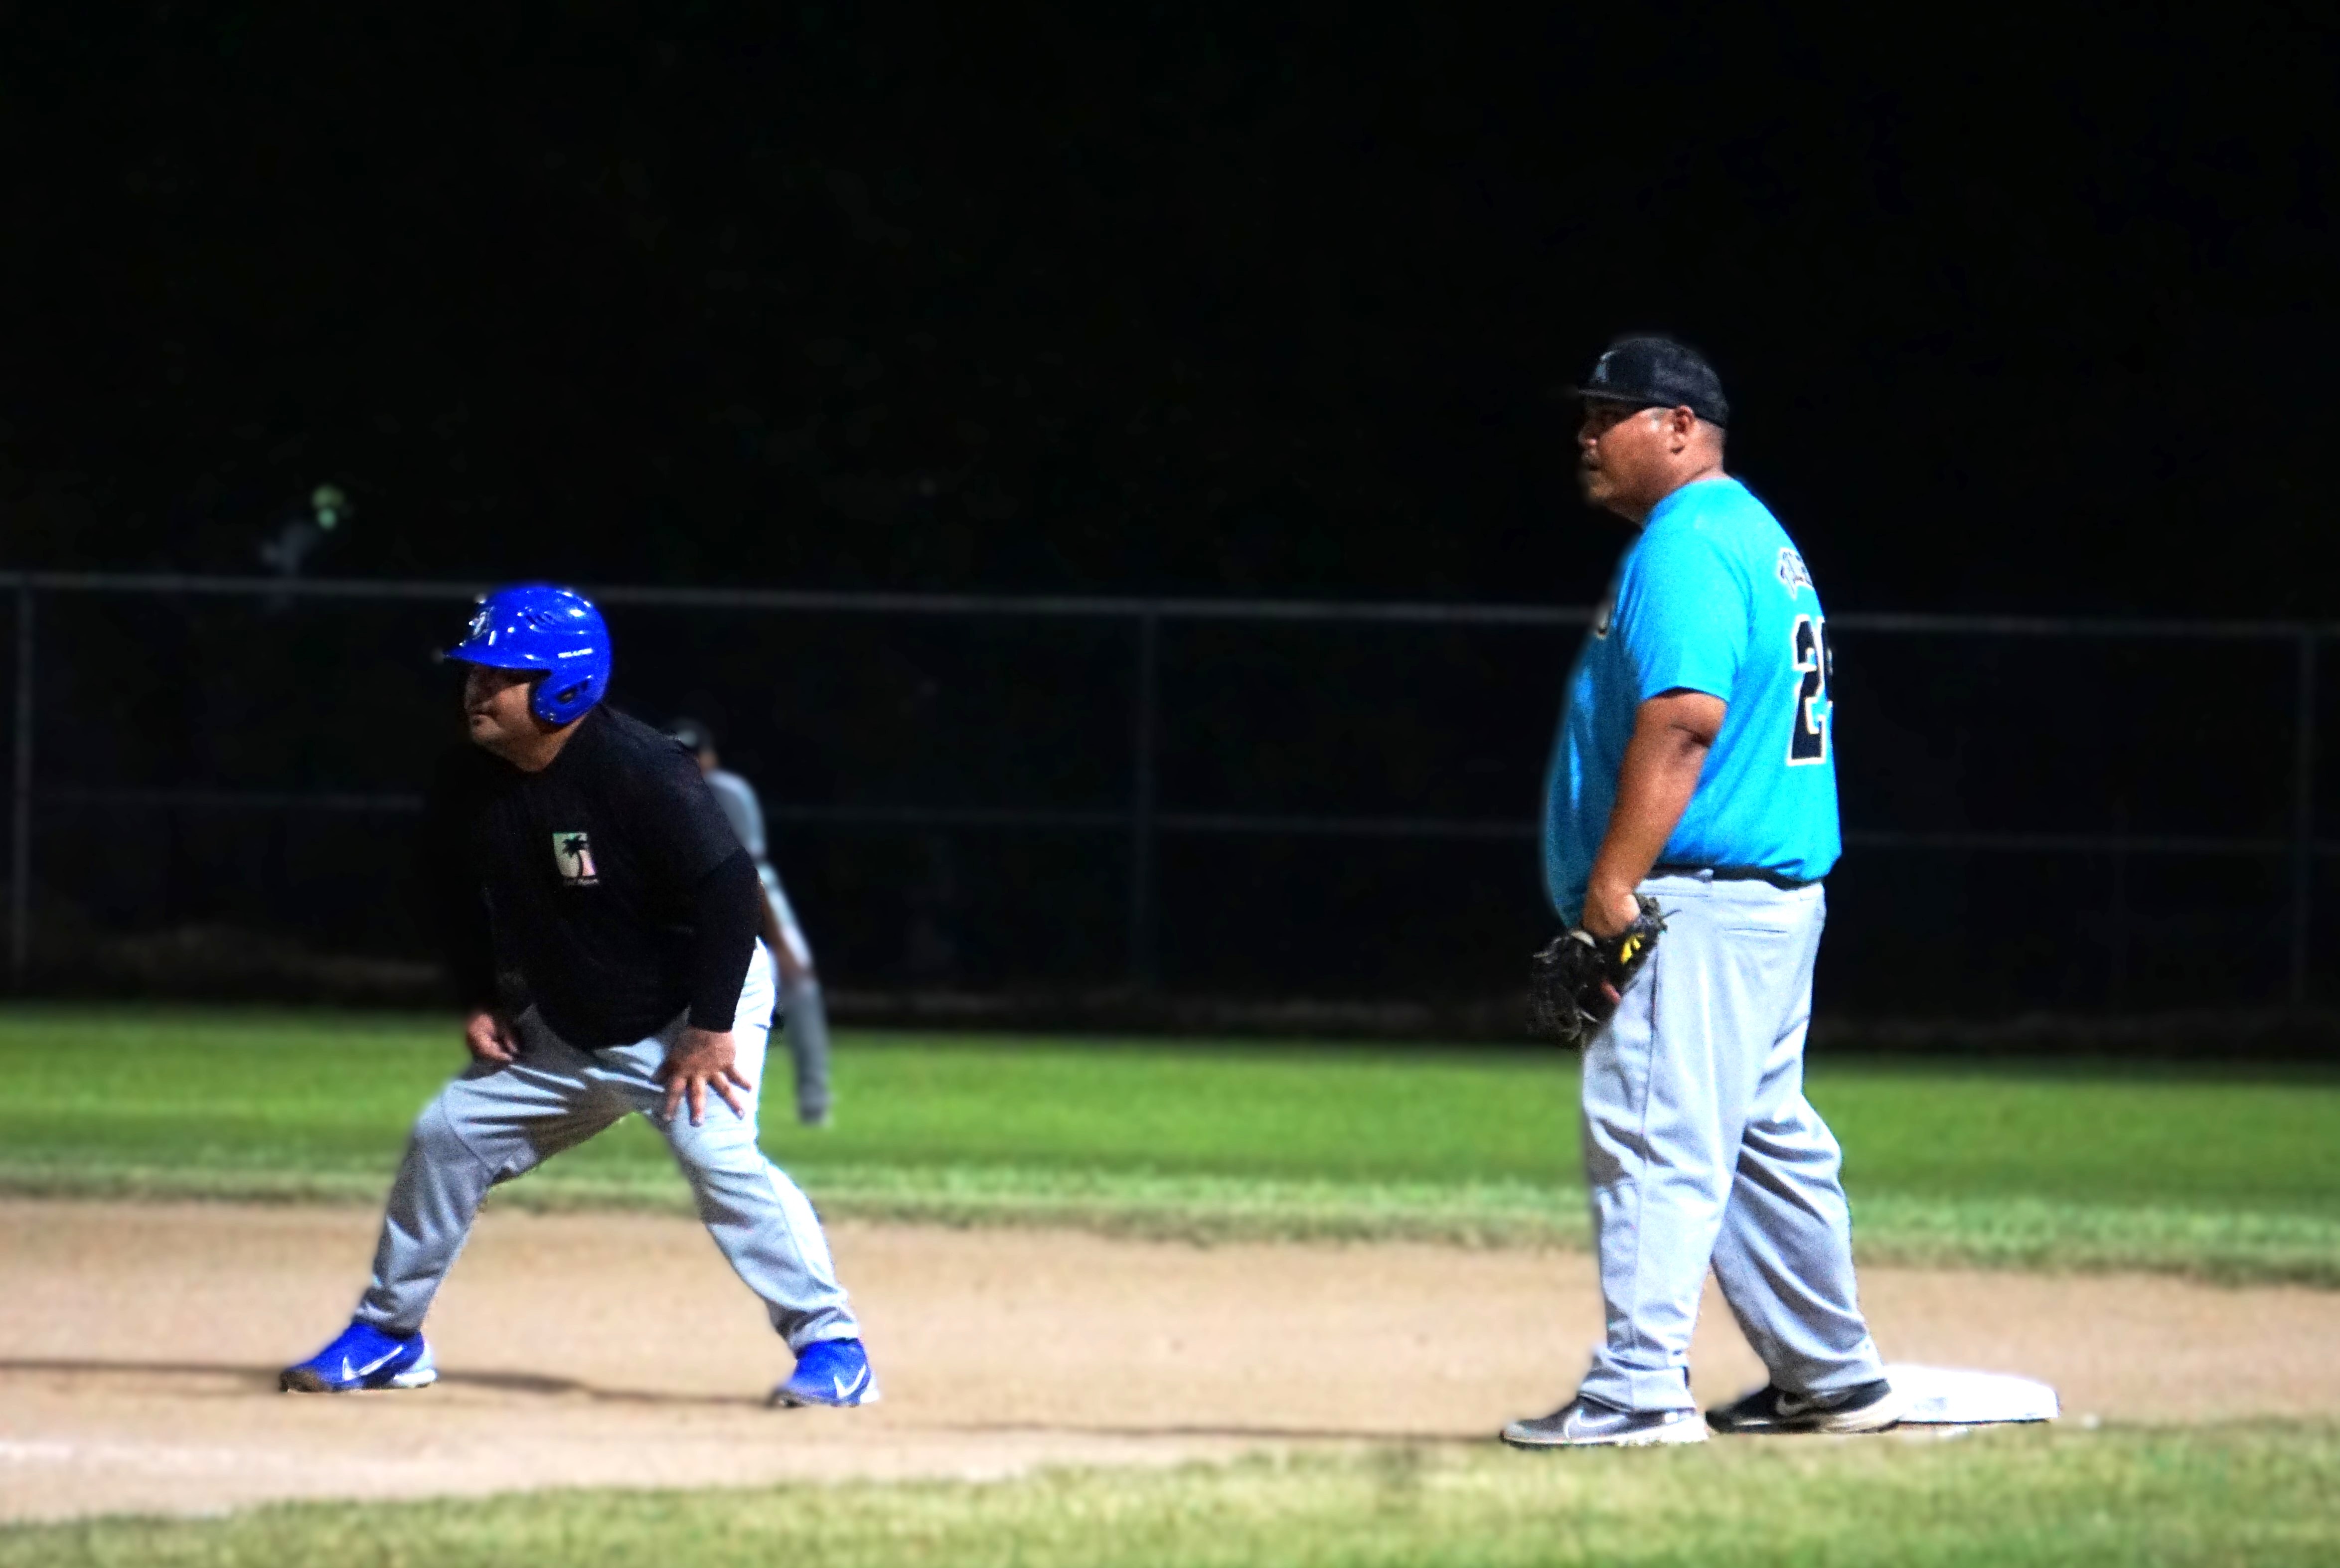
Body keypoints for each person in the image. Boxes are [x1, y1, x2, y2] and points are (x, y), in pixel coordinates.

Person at [280, 584, 877, 1408]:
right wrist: (481, 996)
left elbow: (730, 891)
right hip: (573, 1021)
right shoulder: (471, 778)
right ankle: (389, 1335)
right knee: (446, 1137)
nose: (476, 689)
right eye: (475, 672)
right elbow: (448, 891)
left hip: (689, 1009)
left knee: (720, 1160)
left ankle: (834, 1348)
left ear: (563, 685)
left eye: (501, 675)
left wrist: (709, 1031)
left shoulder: (637, 768)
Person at [1502, 337, 1896, 1448]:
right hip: (1768, 904)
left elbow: (1682, 718)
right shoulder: (1754, 537)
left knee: (1649, 1134)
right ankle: (1832, 1376)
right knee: (1766, 1142)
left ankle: (1635, 1390)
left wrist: (1611, 884)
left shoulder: (1684, 544)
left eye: (1608, 414)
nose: (1584, 435)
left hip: (1701, 901)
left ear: (1678, 426)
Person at [667, 717, 834, 1127]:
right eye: (681, 755)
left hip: (752, 901)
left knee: (802, 988)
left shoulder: (729, 793)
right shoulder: (657, 792)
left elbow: (752, 876)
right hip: (690, 910)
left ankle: (814, 1101)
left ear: (710, 757)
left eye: (696, 755)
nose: (691, 764)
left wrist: (782, 944)